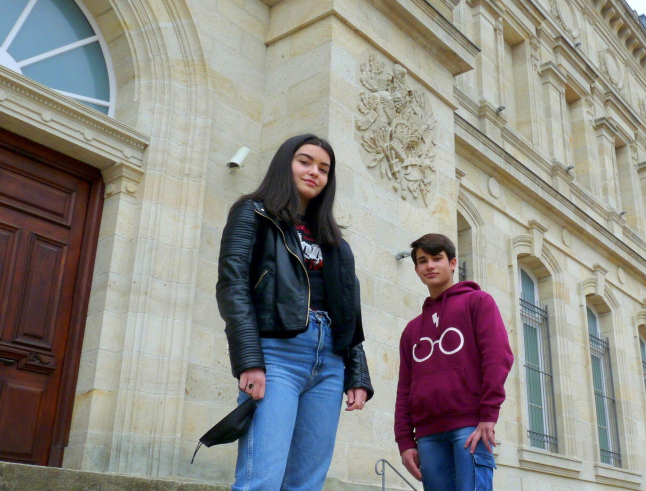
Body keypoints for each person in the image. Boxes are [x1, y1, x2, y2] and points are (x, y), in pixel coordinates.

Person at [216, 134, 373, 491]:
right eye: (305, 161)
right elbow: (232, 285)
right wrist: (249, 359)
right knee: (263, 481)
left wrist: (357, 372)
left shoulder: (334, 241)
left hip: (330, 362)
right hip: (277, 355)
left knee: (306, 484)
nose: (314, 172)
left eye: (324, 168)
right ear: (285, 163)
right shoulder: (253, 212)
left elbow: (348, 310)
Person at [394, 233, 513, 491]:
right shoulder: (412, 330)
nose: (430, 266)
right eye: (423, 261)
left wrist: (488, 415)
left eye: (437, 258)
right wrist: (405, 441)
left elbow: (497, 357)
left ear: (452, 263)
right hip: (427, 437)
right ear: (416, 269)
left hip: (470, 428)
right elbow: (404, 388)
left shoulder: (478, 302)